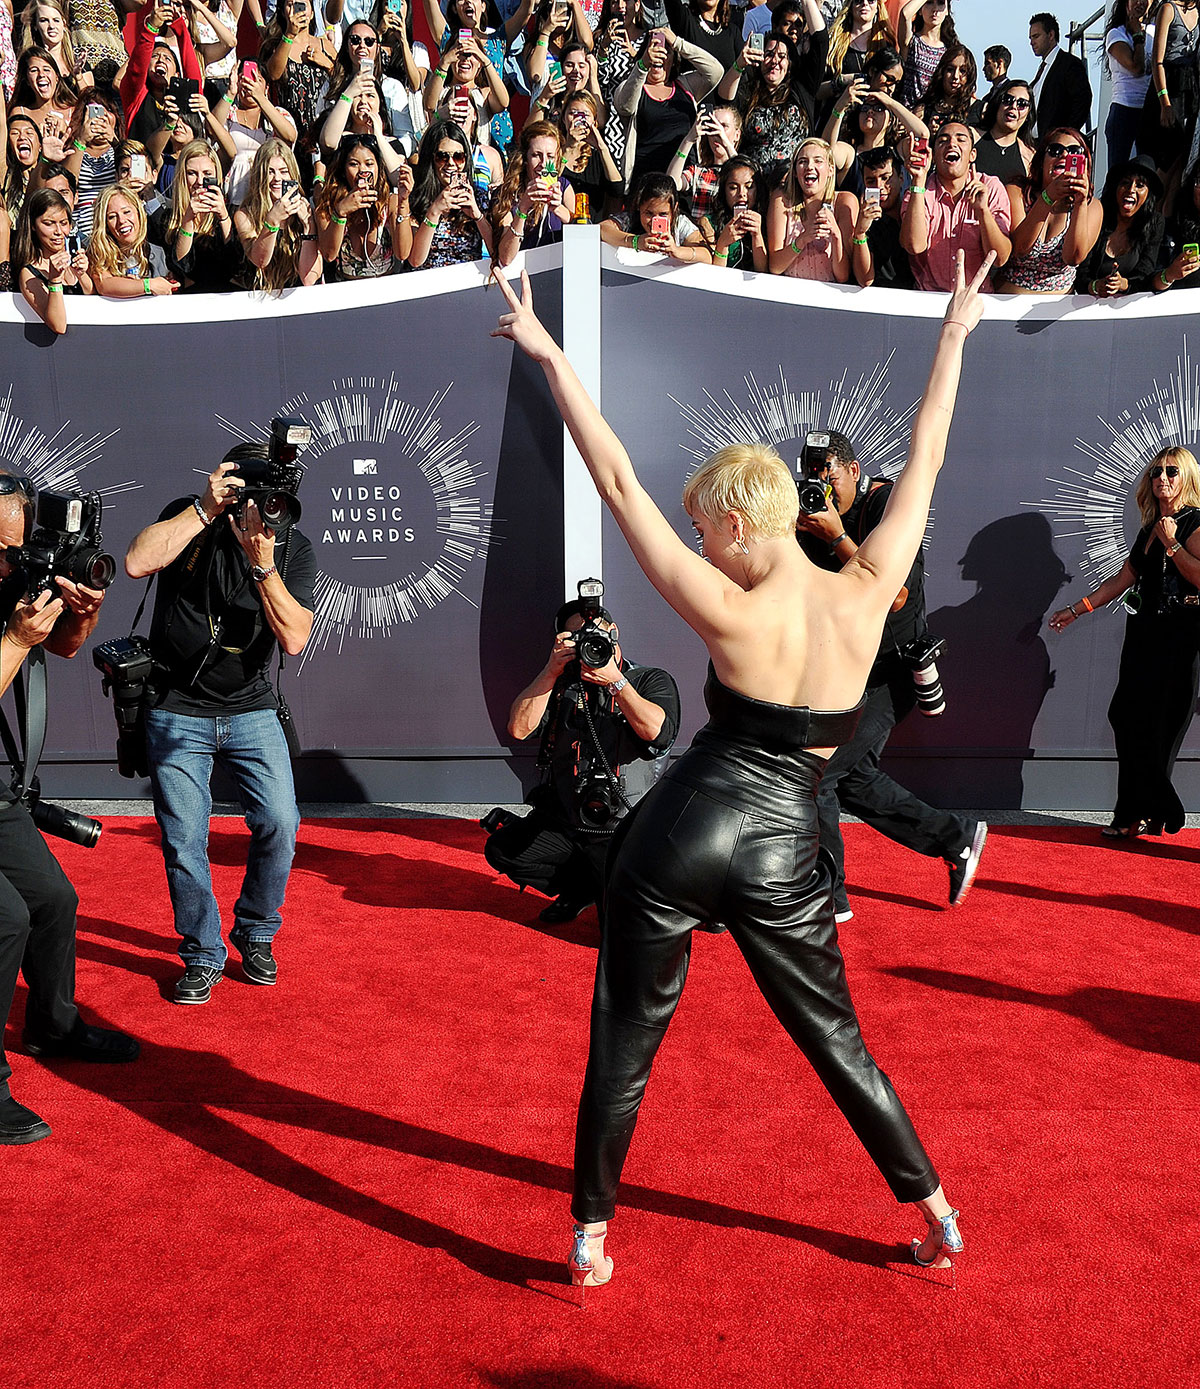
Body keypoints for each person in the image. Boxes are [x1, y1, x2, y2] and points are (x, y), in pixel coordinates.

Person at [488, 247, 990, 1288]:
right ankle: (938, 1215)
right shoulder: (869, 587)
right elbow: (930, 458)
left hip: (684, 825)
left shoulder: (728, 603)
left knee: (626, 1034)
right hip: (787, 845)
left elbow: (613, 475)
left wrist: (547, 353)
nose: (698, 543)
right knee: (836, 1040)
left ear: (733, 518)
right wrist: (953, 334)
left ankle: (589, 1237)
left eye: (702, 526)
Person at [124, 444, 316, 1006]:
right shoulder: (191, 516)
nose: (263, 507)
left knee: (281, 822)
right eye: (251, 493)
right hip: (176, 708)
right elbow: (137, 561)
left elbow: (295, 637)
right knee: (185, 838)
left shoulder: (292, 547)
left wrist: (263, 563)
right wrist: (205, 509)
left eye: (274, 496)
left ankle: (255, 931)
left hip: (252, 709)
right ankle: (203, 952)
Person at [795, 428, 987, 918]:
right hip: (845, 666)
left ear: (854, 471)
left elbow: (894, 595)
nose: (819, 487)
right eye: (811, 476)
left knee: (821, 778)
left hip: (891, 669)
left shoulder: (886, 509)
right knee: (852, 778)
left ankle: (828, 898)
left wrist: (836, 535)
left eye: (828, 476)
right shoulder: (806, 511)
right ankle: (955, 836)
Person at [0, 471, 139, 1146]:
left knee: (54, 901)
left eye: (18, 546)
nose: (13, 561)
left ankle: (52, 1027)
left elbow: (66, 645)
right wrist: (18, 639)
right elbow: (24, 648)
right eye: (1, 550)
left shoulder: (18, 578)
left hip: (1, 798)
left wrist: (82, 609)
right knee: (6, 918)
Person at [483, 591, 680, 923]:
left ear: (614, 632)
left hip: (625, 826)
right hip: (569, 821)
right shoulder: (560, 686)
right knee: (505, 850)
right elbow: (518, 729)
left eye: (597, 634)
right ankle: (581, 889)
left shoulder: (649, 679)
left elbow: (657, 733)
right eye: (577, 638)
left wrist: (616, 683)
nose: (591, 643)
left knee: (620, 938)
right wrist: (550, 671)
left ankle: (675, 895)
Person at [1049, 447, 1200, 840]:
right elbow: (1122, 580)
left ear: (1187, 477)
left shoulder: (1195, 525)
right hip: (1143, 636)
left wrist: (1173, 545)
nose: (1162, 478)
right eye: (1156, 472)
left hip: (1179, 639)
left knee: (1160, 730)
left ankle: (1136, 813)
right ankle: (1151, 808)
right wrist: (1076, 608)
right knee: (1125, 718)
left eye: (1171, 471)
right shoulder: (1150, 526)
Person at [900, 119, 1011, 291]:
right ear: (934, 155)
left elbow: (1000, 258)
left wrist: (983, 212)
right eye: (943, 141)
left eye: (961, 139)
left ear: (972, 154)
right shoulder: (918, 190)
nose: (951, 144)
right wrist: (918, 182)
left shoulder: (991, 187)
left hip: (975, 299)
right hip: (929, 299)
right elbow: (914, 246)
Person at [998, 127, 1102, 294]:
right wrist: (1048, 198)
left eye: (1074, 151)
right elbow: (1020, 248)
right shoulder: (1018, 192)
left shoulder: (1092, 206)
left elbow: (1073, 257)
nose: (1064, 156)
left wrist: (1080, 203)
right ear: (1041, 160)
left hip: (1056, 309)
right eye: (1055, 150)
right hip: (1009, 301)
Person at [1077, 151, 1165, 297]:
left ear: (1148, 194)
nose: (1131, 190)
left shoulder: (1155, 223)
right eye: (1125, 183)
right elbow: (1080, 275)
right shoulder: (1098, 215)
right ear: (1115, 188)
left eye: (1140, 185)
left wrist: (1124, 284)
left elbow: (1145, 276)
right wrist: (1095, 286)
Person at [12, 185, 91, 331]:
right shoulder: (29, 273)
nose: (59, 232)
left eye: (64, 223)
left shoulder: (77, 255)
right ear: (33, 225)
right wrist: (54, 280)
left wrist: (81, 275)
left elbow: (94, 299)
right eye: (49, 224)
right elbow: (58, 325)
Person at [848, 143, 913, 286]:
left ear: (901, 178)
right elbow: (864, 279)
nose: (879, 186)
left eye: (886, 178)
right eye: (871, 181)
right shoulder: (866, 223)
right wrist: (860, 233)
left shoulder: (915, 211)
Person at [1028, 12, 1092, 139]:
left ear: (1051, 35)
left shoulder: (1069, 64)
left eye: (1036, 36)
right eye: (1030, 38)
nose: (1032, 42)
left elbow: (1082, 100)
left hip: (1055, 145)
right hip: (1034, 145)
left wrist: (1065, 136)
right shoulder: (1042, 70)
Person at [1104, 0, 1151, 169]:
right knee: (1118, 172)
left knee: (1145, 170)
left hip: (1149, 110)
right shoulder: (1117, 34)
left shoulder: (1156, 32)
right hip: (1124, 109)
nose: (1140, 3)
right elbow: (1136, 67)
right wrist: (1138, 35)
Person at [972, 79, 1036, 184]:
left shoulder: (1029, 157)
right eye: (1008, 99)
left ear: (1028, 114)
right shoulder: (972, 137)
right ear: (997, 104)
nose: (1014, 106)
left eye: (1022, 104)